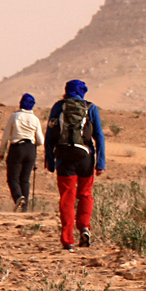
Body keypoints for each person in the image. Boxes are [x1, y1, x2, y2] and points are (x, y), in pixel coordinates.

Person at [43, 80, 105, 252]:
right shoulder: (90, 108)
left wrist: (50, 160)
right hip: (85, 158)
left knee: (67, 199)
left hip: (64, 158)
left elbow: (49, 136)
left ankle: (67, 241)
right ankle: (84, 227)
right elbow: (99, 135)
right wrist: (101, 162)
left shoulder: (59, 107)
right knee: (85, 194)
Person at [0, 94, 45, 211]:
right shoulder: (35, 119)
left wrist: (2, 151)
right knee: (25, 179)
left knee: (12, 178)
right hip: (30, 150)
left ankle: (19, 197)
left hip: (17, 148)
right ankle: (25, 208)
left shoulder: (15, 116)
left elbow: (6, 136)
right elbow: (40, 140)